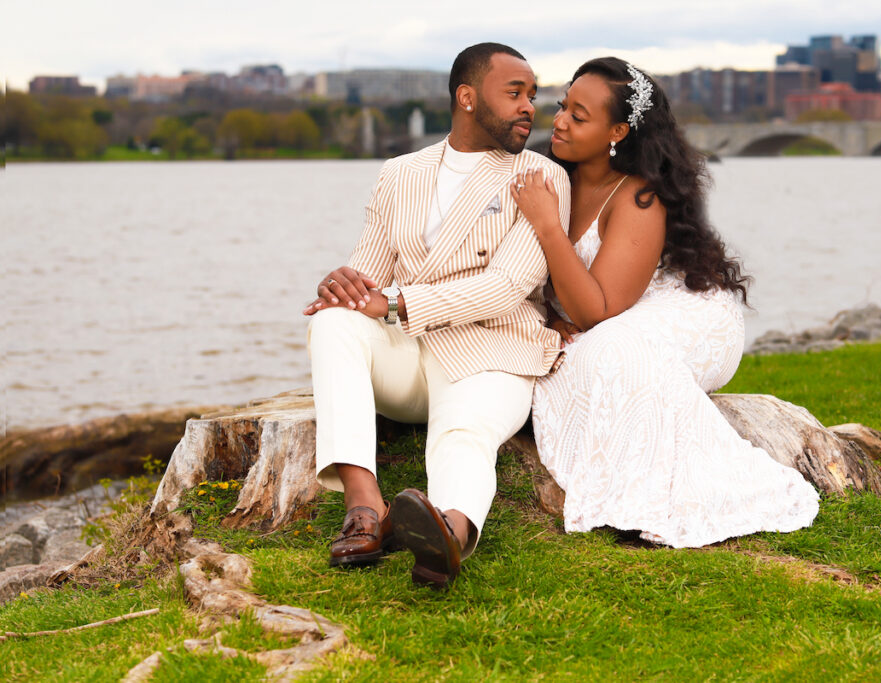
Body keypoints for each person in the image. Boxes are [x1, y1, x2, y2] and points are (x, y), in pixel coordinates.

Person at [509, 57, 819, 548]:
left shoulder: (638, 197)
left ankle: (660, 500)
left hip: (684, 315)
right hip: (610, 318)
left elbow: (596, 310)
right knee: (585, 351)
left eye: (579, 115)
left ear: (617, 132)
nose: (560, 120)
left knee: (613, 347)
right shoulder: (549, 180)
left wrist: (548, 226)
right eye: (563, 106)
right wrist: (547, 316)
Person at [303, 43, 570, 588]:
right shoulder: (400, 173)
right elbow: (370, 274)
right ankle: (364, 505)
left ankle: (448, 535)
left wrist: (398, 303)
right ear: (467, 98)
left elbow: (507, 287)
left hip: (492, 350)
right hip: (408, 358)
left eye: (534, 95)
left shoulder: (540, 176)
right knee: (333, 322)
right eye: (515, 92)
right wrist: (346, 286)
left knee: (464, 433)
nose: (530, 107)